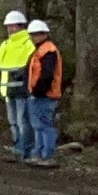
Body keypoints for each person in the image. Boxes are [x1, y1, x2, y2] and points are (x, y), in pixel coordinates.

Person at [22, 18, 66, 166]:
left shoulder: (48, 50)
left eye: (35, 35)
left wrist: (38, 90)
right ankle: (40, 153)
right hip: (40, 94)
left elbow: (47, 75)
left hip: (45, 95)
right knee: (39, 125)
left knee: (44, 126)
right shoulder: (43, 50)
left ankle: (47, 155)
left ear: (43, 34)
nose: (33, 38)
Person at [0, 8, 37, 155]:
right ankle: (18, 147)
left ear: (21, 26)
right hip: (8, 90)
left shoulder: (28, 43)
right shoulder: (5, 44)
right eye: (8, 26)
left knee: (22, 122)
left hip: (22, 90)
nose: (10, 29)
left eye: (12, 26)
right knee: (14, 122)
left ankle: (24, 149)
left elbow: (33, 62)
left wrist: (23, 73)